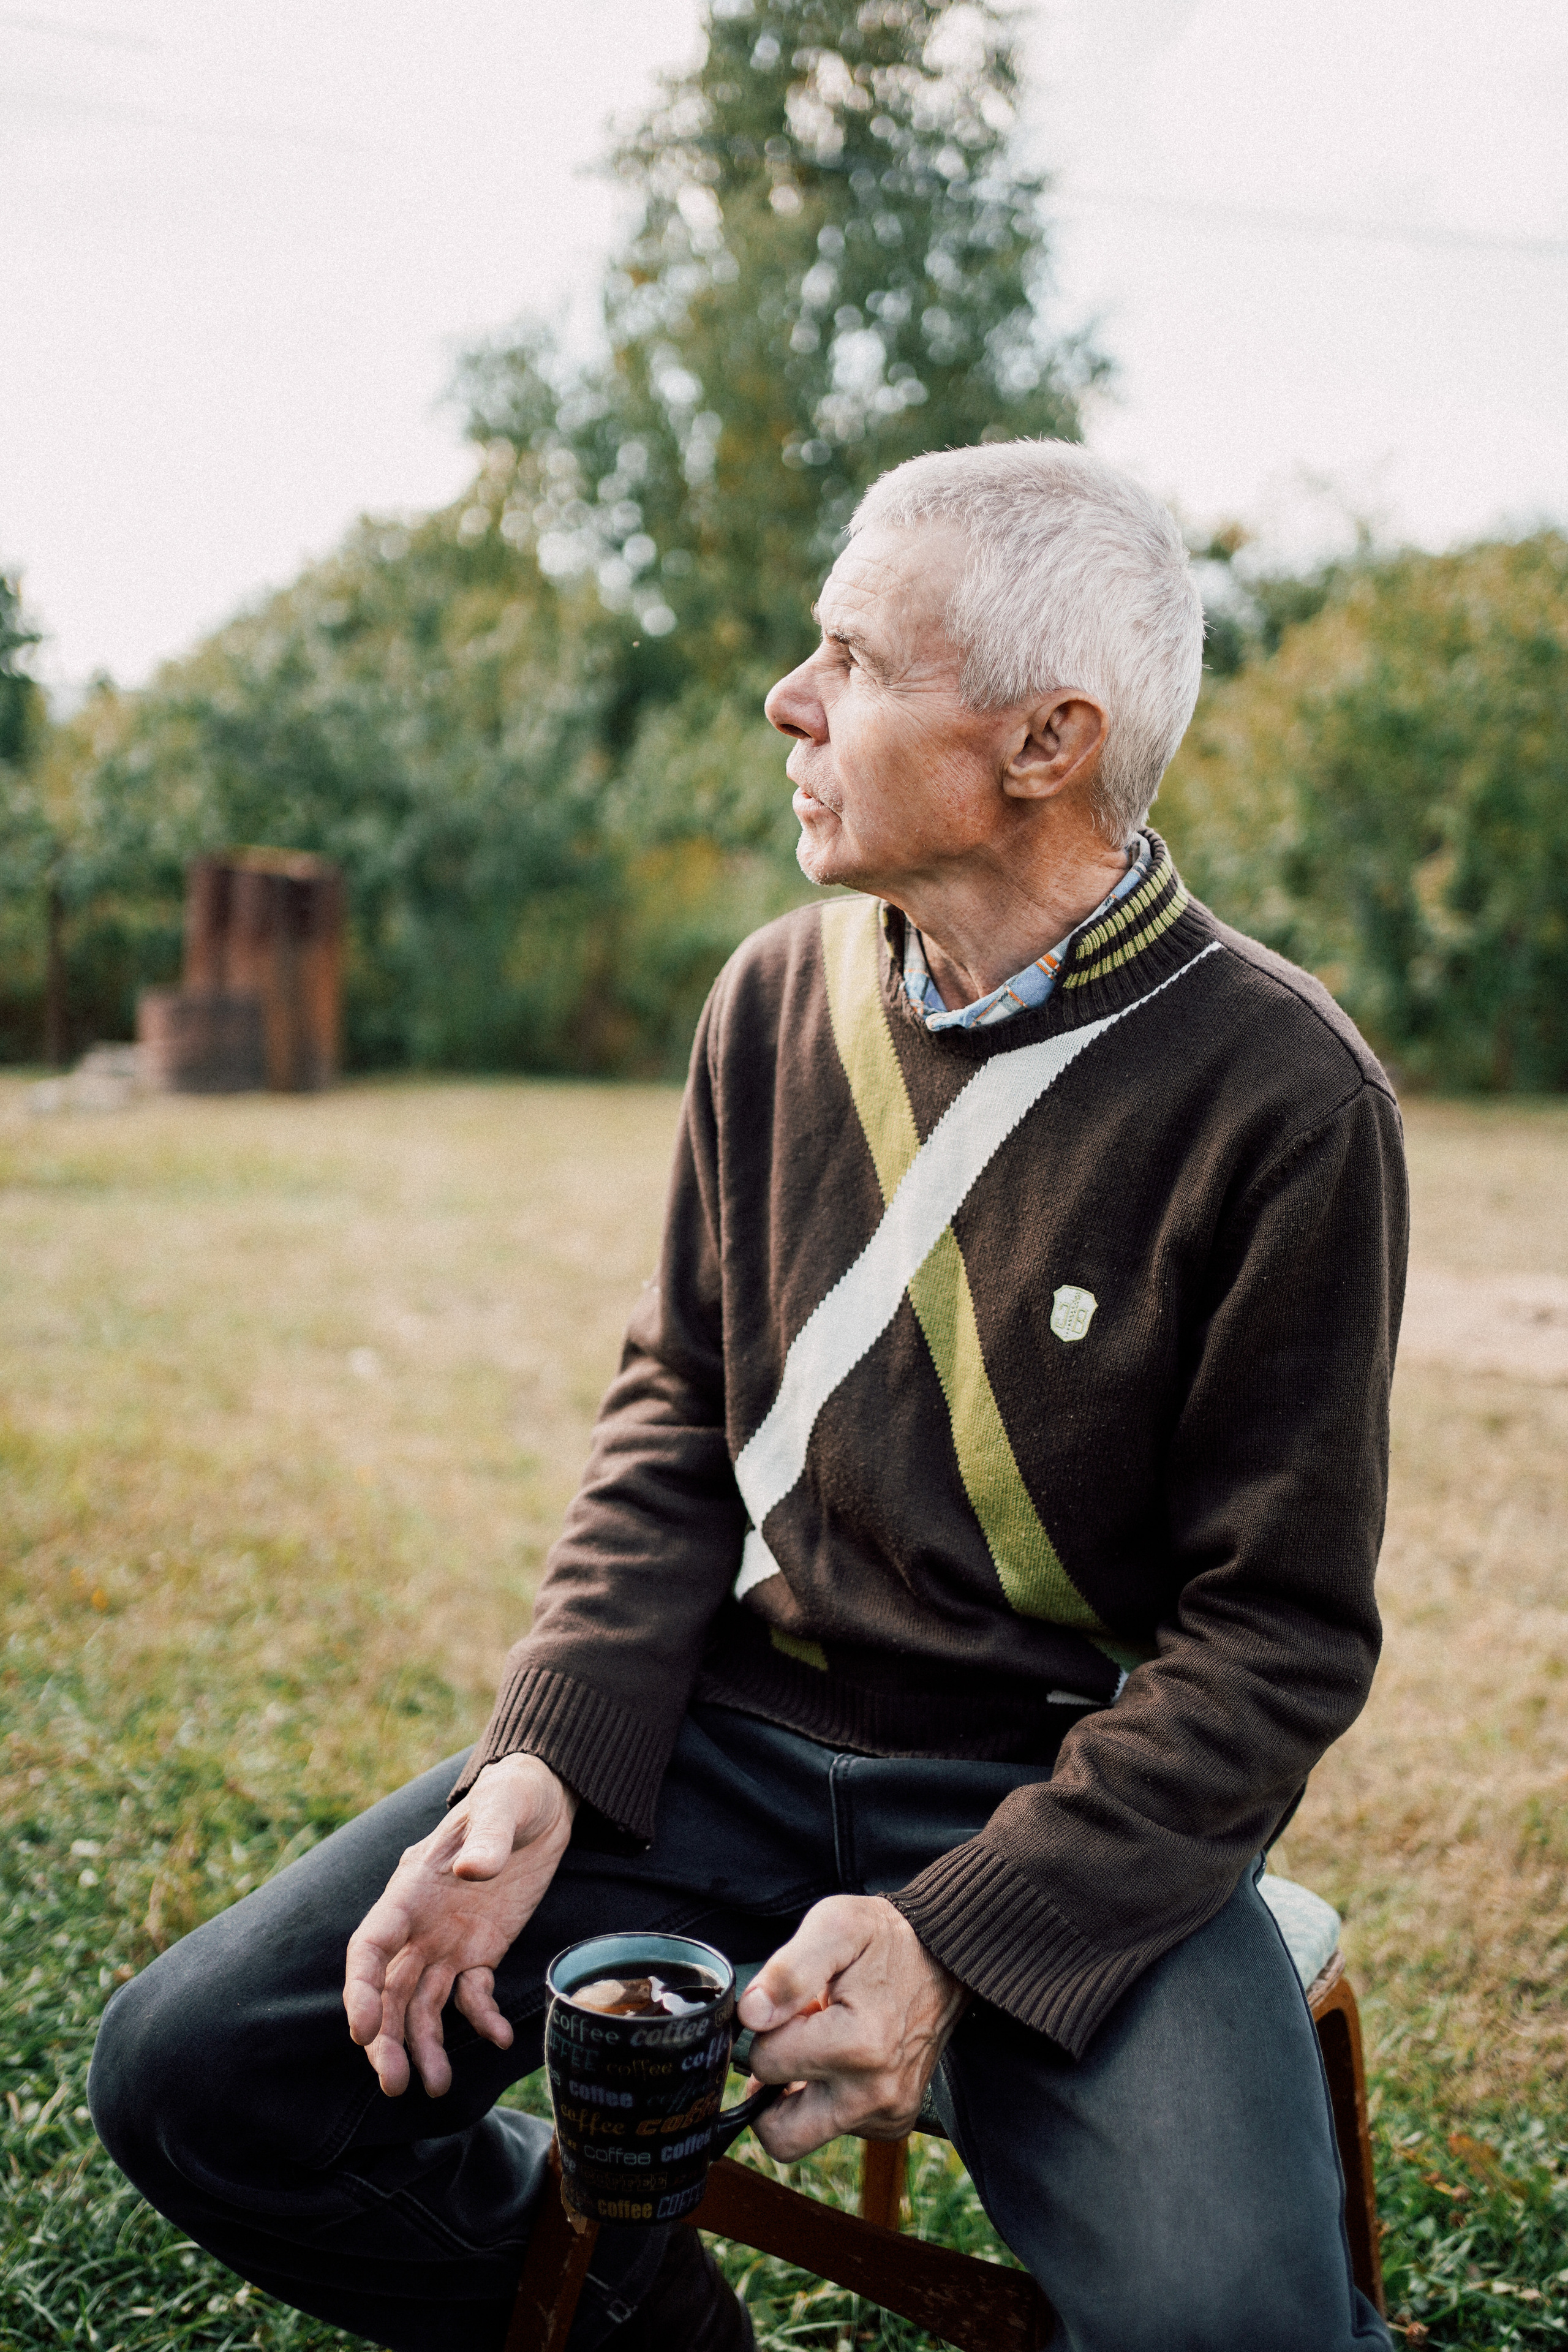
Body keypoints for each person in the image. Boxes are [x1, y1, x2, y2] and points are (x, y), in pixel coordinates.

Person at [91, 440, 1404, 2352]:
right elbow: (673, 1422)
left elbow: (1272, 1640)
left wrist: (954, 1941)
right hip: (713, 1747)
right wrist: (543, 1757)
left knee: (1244, 2329)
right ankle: (647, 2326)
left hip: (1060, 1795)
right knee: (193, 2076)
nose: (789, 701)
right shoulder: (771, 1000)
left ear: (1044, 740)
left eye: (852, 660)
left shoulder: (1289, 1099)